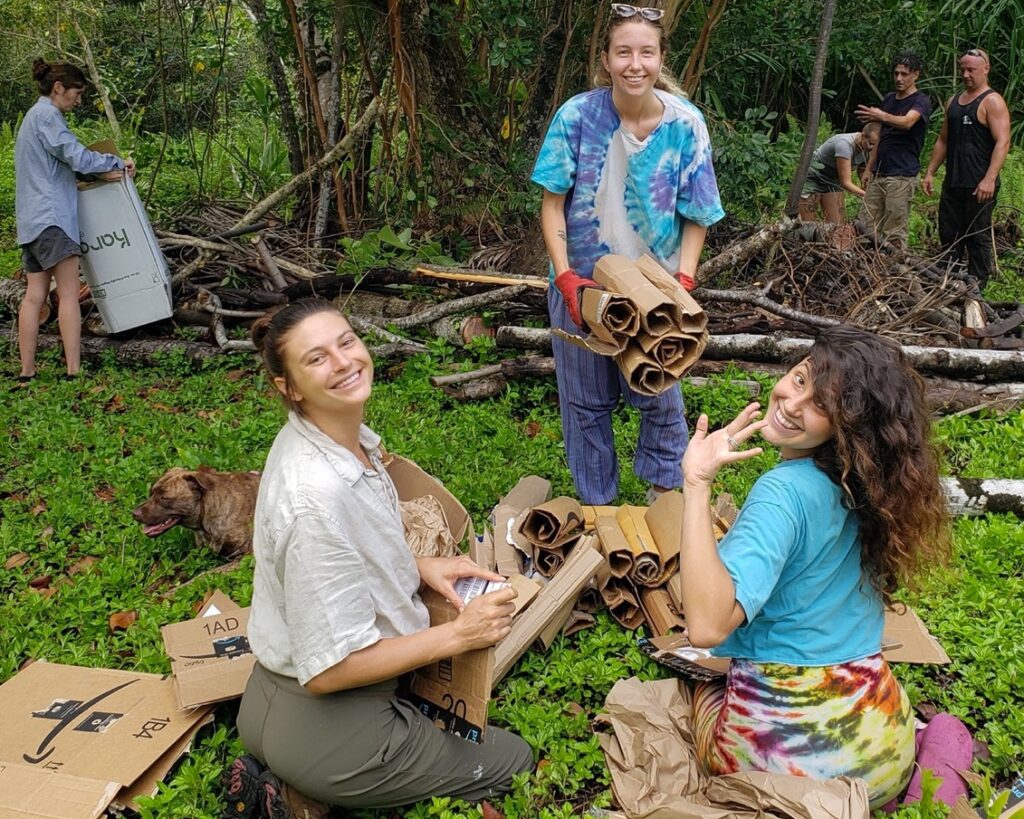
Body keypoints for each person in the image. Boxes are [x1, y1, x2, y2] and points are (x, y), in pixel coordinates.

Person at [228, 299, 534, 817]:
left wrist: (419, 566)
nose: (344, 362)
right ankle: (316, 791)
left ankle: (294, 785)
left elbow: (343, 558)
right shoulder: (316, 498)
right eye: (317, 358)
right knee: (515, 760)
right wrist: (459, 634)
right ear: (290, 387)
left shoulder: (328, 440)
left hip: (266, 702)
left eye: (346, 342)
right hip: (333, 724)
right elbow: (329, 671)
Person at [678, 325, 950, 808]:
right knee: (945, 729)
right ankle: (933, 775)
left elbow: (705, 626)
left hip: (788, 774)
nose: (792, 403)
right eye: (801, 380)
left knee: (693, 693)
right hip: (882, 755)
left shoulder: (781, 494)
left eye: (824, 403)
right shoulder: (870, 487)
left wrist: (697, 483)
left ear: (847, 425)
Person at [531, 3, 725, 505]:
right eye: (624, 52)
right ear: (606, 58)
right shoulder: (576, 116)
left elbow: (698, 215)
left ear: (662, 58)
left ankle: (667, 506)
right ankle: (600, 515)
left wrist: (682, 282)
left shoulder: (686, 125)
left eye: (646, 52)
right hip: (585, 286)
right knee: (585, 405)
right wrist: (566, 279)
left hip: (653, 289)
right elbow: (552, 206)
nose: (634, 64)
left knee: (661, 398)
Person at [14, 58, 135, 382]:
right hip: (53, 218)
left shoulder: (30, 119)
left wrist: (99, 170)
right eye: (76, 93)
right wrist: (116, 161)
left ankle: (27, 371)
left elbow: (59, 164)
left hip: (30, 221)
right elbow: (75, 155)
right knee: (68, 293)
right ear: (58, 89)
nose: (79, 101)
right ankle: (73, 370)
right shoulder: (48, 117)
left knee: (33, 295)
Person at [923, 48, 1011, 289]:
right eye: (963, 69)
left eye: (971, 69)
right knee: (949, 235)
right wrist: (930, 171)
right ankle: (946, 284)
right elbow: (943, 140)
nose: (965, 74)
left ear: (985, 69)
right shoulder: (954, 102)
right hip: (953, 182)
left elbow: (1003, 141)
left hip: (979, 183)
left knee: (977, 236)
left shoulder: (992, 101)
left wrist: (989, 178)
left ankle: (977, 288)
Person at [856, 53, 931, 245]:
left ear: (916, 75)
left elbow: (907, 122)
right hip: (879, 172)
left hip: (902, 174)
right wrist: (869, 168)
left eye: (904, 74)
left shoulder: (920, 101)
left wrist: (881, 115)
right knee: (864, 225)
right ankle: (866, 268)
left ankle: (896, 270)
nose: (899, 78)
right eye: (896, 73)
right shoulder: (889, 99)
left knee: (894, 231)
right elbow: (880, 137)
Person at [798, 123, 880, 224]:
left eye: (876, 145)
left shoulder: (868, 149)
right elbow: (845, 182)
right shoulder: (844, 145)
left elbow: (862, 168)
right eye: (871, 143)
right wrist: (867, 195)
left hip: (833, 180)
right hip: (814, 176)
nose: (872, 148)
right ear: (862, 136)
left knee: (837, 225)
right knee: (808, 223)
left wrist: (865, 181)